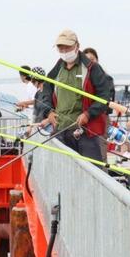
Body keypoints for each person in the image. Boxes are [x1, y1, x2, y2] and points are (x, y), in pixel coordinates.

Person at [43, 29, 113, 160]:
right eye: (61, 48)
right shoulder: (58, 68)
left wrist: (88, 113)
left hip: (86, 131)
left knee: (93, 169)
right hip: (61, 130)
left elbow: (104, 96)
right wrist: (48, 112)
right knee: (63, 169)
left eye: (67, 47)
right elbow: (46, 88)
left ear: (77, 46)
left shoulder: (92, 67)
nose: (64, 51)